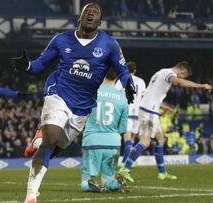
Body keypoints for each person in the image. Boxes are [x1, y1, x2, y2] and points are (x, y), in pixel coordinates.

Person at [11, 3, 135, 202]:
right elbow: (39, 65)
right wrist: (26, 65)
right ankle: (31, 196)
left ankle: (40, 138)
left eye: (95, 13)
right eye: (87, 11)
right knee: (51, 142)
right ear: (80, 16)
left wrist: (129, 84)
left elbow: (123, 71)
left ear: (100, 21)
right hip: (58, 94)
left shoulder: (109, 44)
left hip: (83, 107)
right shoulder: (61, 40)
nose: (91, 14)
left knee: (59, 144)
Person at [117, 61, 212, 183]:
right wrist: (201, 86)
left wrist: (162, 106)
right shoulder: (169, 73)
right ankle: (125, 169)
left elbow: (150, 94)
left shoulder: (160, 72)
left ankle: (162, 173)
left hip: (151, 110)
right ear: (183, 71)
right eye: (184, 76)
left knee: (161, 139)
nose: (182, 78)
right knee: (145, 142)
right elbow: (179, 83)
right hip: (148, 111)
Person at [81, 68, 129, 193]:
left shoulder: (91, 92)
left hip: (92, 140)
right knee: (107, 180)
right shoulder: (122, 98)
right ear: (117, 77)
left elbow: (80, 115)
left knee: (85, 182)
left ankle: (91, 184)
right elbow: (123, 127)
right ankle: (115, 184)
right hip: (113, 142)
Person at [115, 61, 146, 164]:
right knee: (132, 139)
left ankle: (125, 163)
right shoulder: (141, 81)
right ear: (135, 70)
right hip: (137, 112)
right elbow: (143, 97)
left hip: (126, 111)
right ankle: (128, 162)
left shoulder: (121, 80)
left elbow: (115, 94)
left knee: (127, 138)